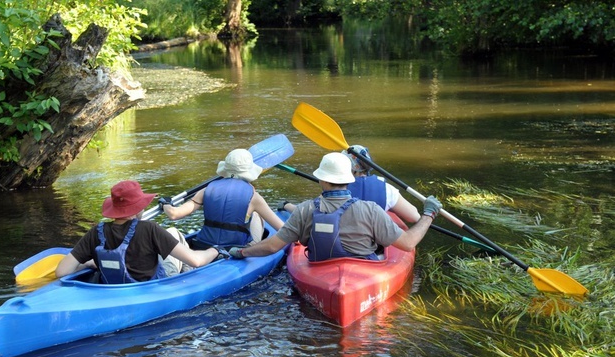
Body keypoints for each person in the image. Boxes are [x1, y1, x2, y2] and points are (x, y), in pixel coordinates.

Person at [228, 152, 442, 261]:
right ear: (349, 179)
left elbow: (272, 246)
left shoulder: (305, 210)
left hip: (320, 269)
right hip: (363, 272)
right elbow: (408, 243)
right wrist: (429, 214)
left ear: (321, 180)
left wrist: (243, 252)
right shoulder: (371, 209)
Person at [55, 180, 219, 283]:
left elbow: (62, 272)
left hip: (114, 288)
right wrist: (214, 250)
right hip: (150, 287)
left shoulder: (95, 232)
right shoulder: (149, 229)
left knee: (170, 233)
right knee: (174, 233)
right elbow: (196, 260)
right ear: (136, 209)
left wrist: (92, 262)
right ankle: (187, 283)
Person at [161, 149, 285, 249]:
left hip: (203, 245)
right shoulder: (254, 197)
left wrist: (165, 203)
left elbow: (174, 215)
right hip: (235, 249)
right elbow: (284, 230)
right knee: (257, 214)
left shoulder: (206, 190)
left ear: (225, 168)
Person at [279, 145, 420, 224]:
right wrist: (390, 207)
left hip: (339, 246)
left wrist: (286, 205)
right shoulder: (387, 189)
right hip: (374, 250)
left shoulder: (334, 188)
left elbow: (306, 212)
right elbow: (414, 217)